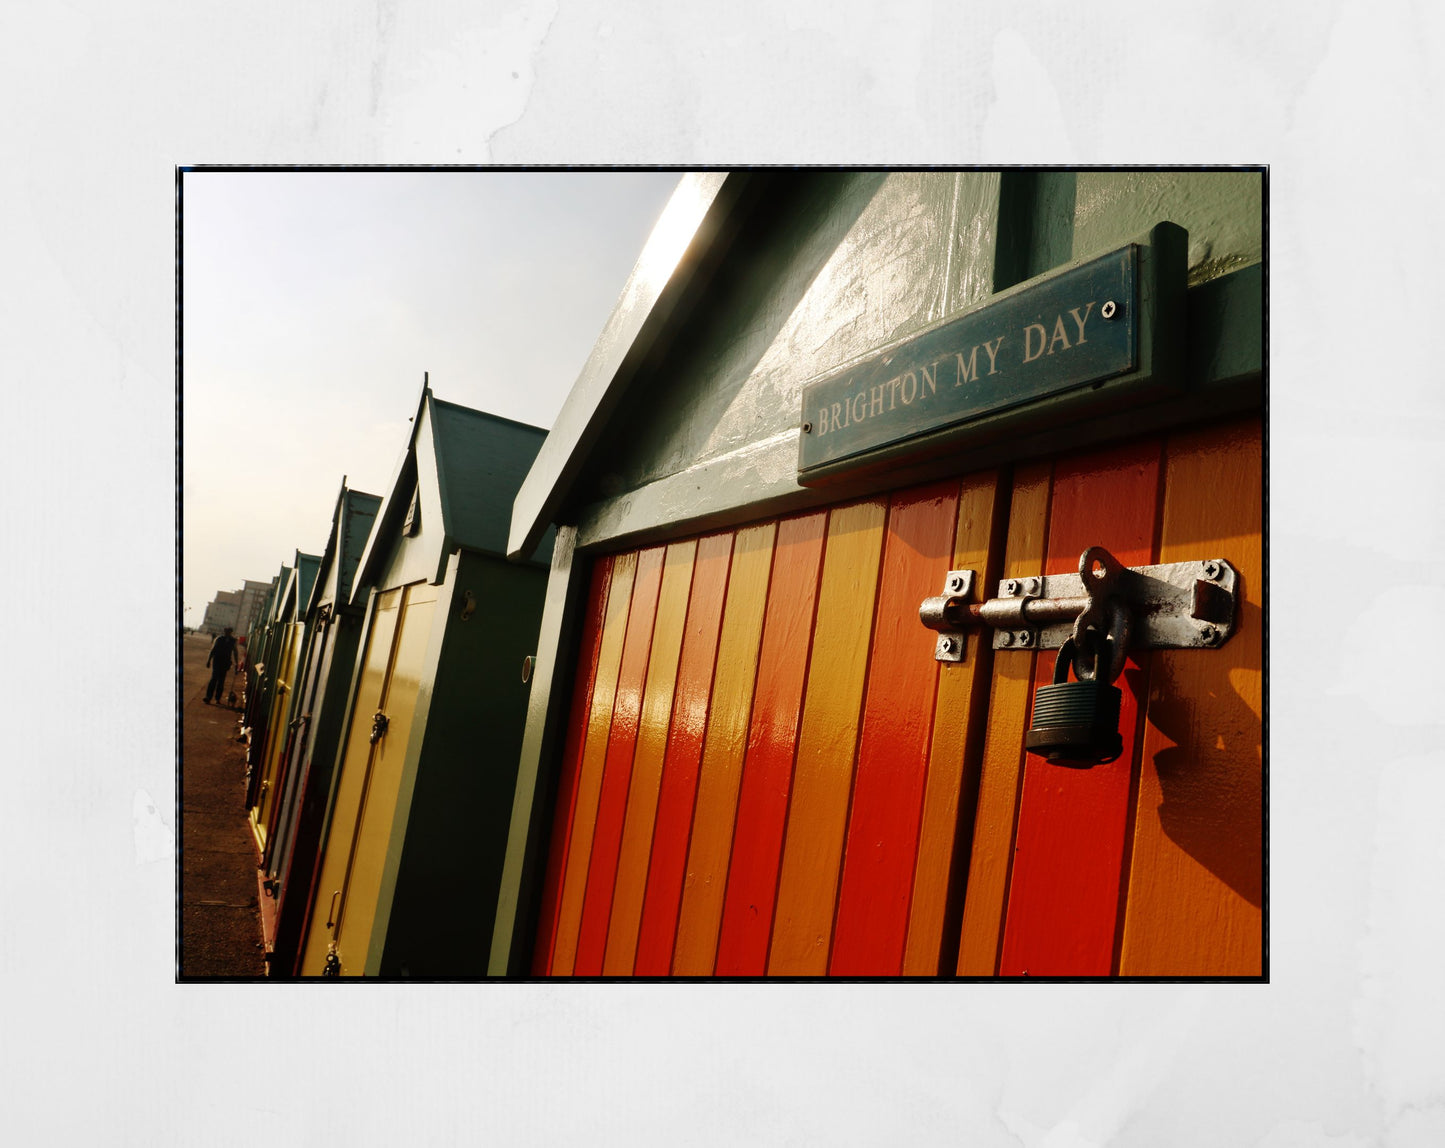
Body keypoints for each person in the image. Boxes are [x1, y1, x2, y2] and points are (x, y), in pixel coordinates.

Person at [205, 627, 238, 705]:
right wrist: (208, 660)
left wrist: (236, 663)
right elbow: (213, 650)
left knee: (221, 681)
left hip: (225, 663)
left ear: (231, 632)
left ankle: (217, 698)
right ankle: (208, 697)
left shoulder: (233, 641)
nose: (227, 633)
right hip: (217, 661)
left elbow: (235, 652)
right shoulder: (219, 639)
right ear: (224, 631)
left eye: (229, 631)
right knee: (214, 679)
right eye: (226, 631)